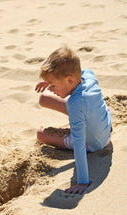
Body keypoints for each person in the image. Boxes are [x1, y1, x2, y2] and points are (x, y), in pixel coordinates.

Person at [35, 46, 112, 195]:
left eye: (53, 85)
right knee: (44, 98)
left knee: (40, 134)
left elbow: (79, 144)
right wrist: (51, 81)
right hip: (105, 124)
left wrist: (82, 181)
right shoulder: (88, 75)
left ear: (69, 80)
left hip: (94, 144)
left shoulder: (74, 104)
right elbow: (81, 71)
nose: (51, 88)